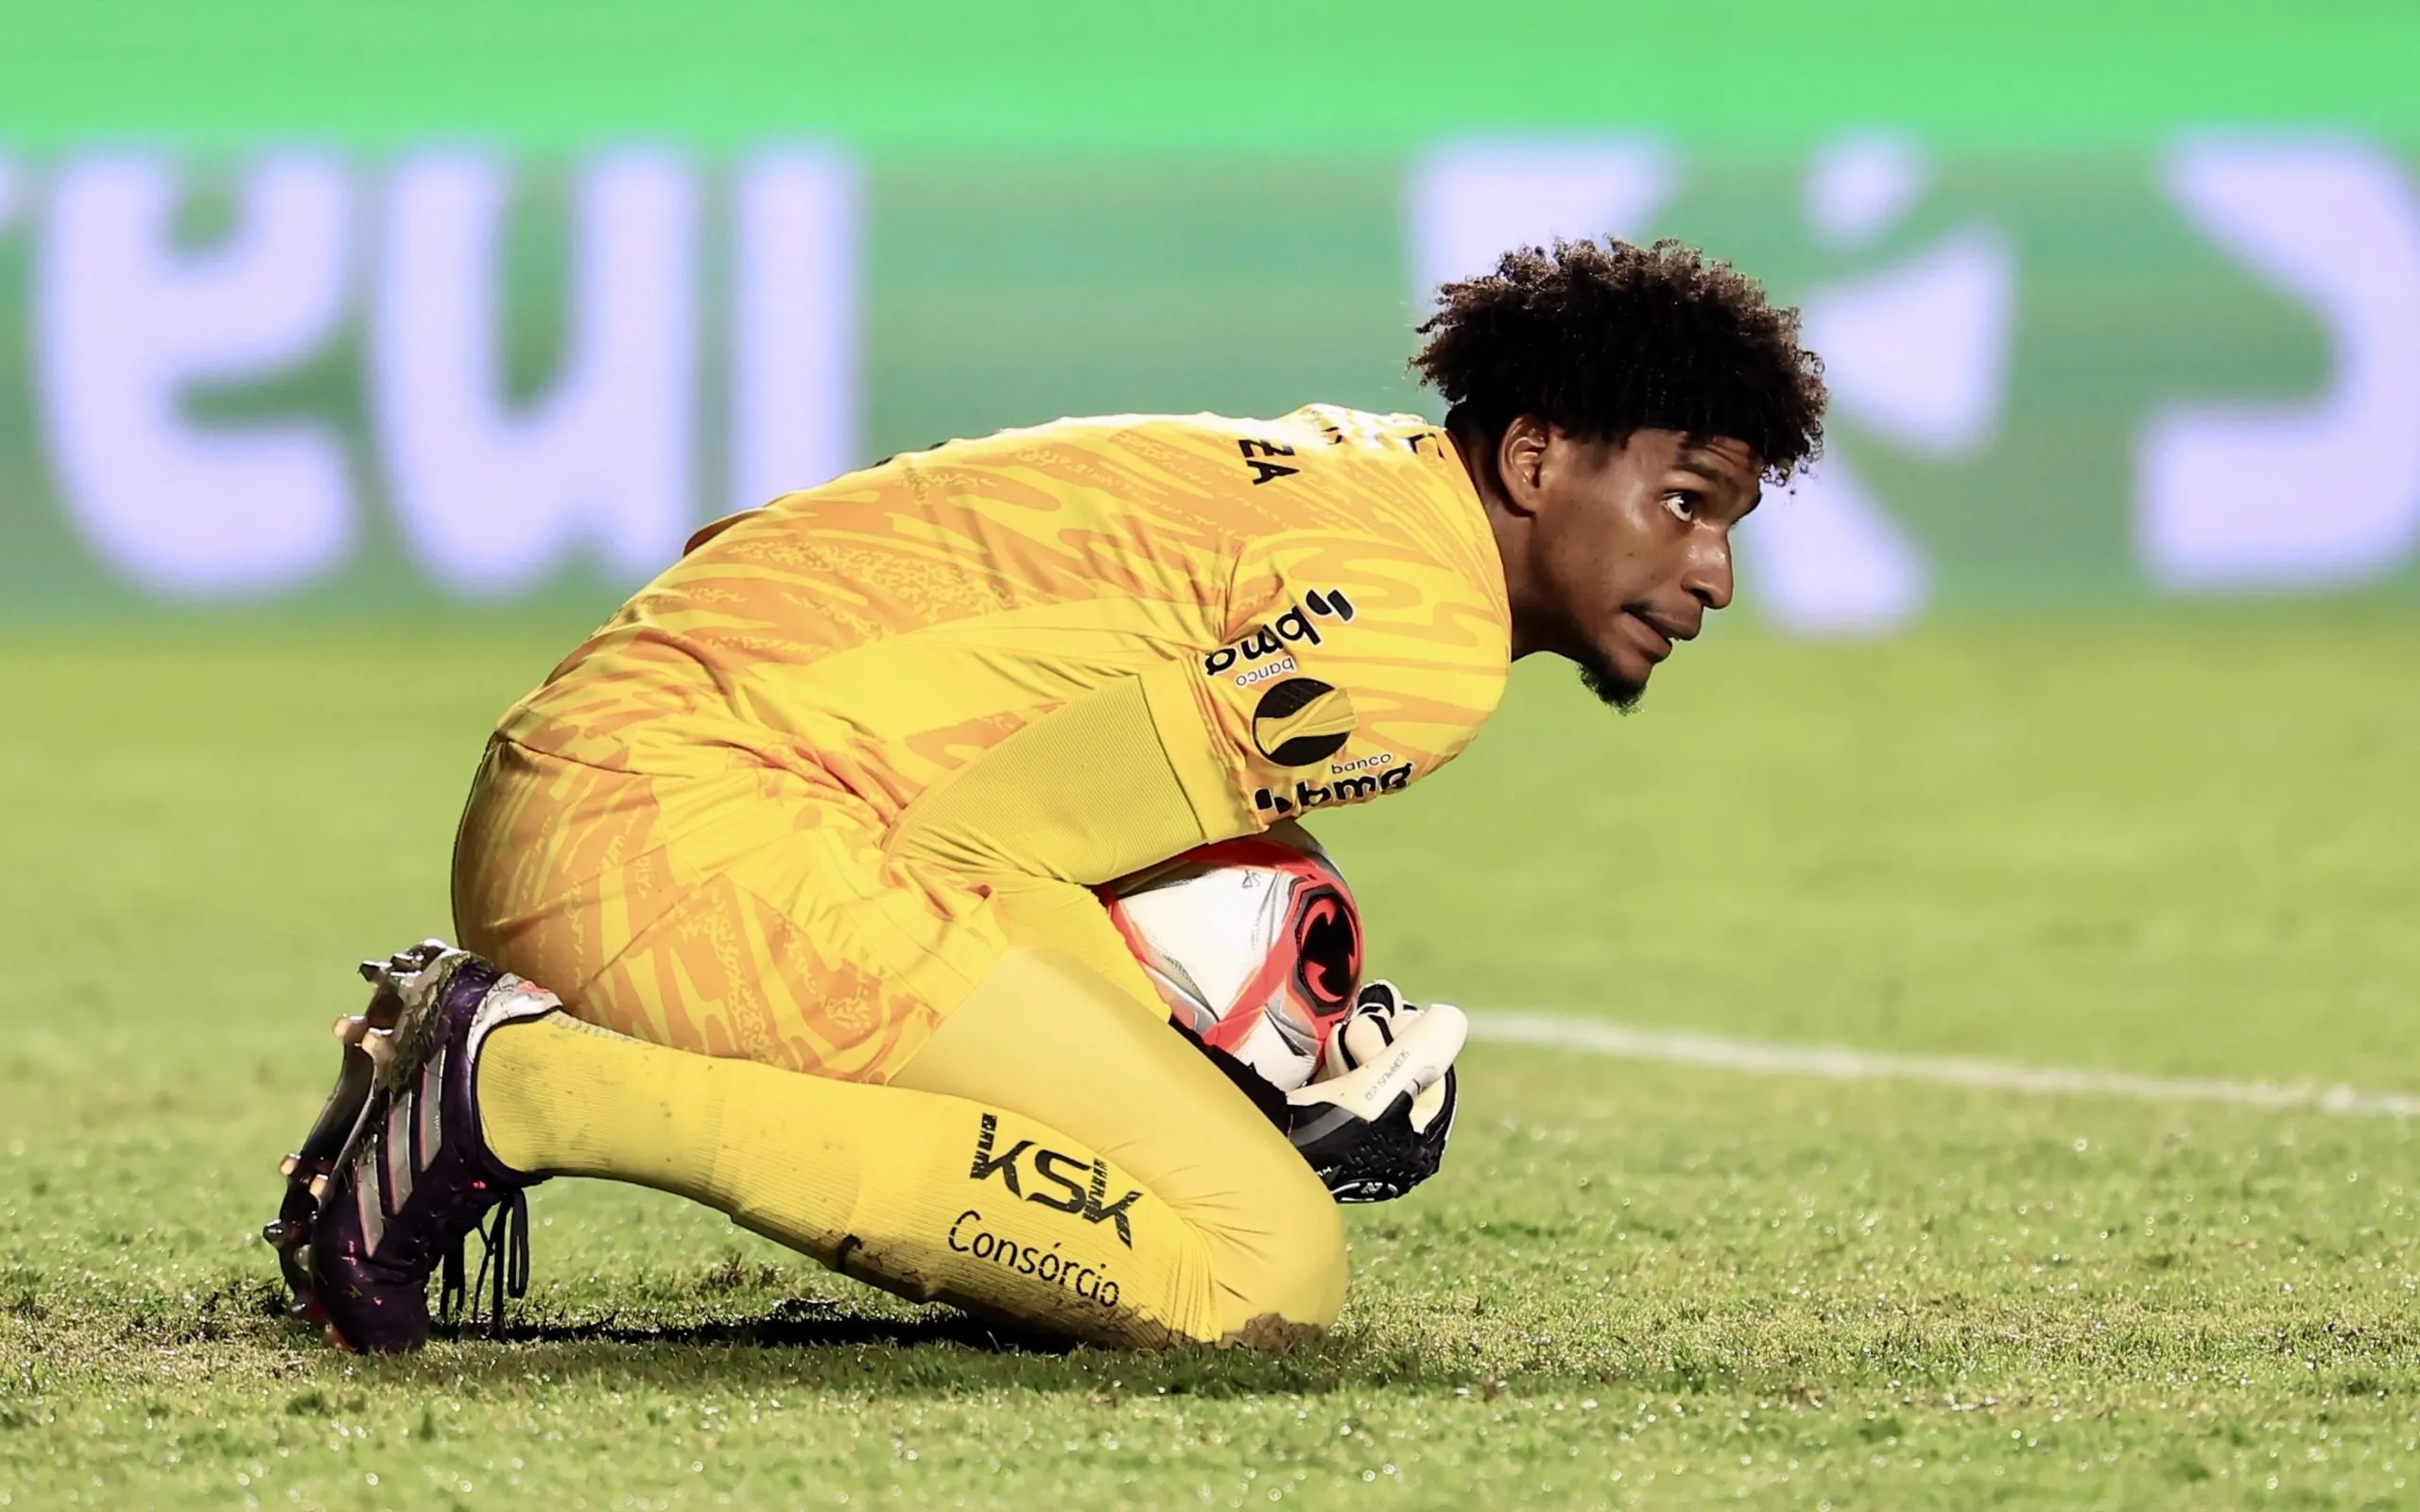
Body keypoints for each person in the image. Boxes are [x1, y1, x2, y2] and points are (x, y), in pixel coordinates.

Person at [266, 237, 1826, 1351]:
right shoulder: (1423, 643)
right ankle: (525, 1084)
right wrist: (1204, 1076)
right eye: (1686, 503)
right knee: (1255, 1265)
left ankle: (462, 1042)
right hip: (676, 829)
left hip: (619, 775)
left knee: (1175, 1195)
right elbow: (977, 846)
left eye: (1731, 523)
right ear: (1540, 457)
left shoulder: (1367, 482)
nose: (1713, 570)